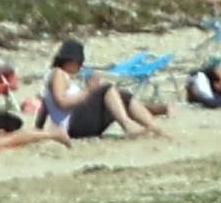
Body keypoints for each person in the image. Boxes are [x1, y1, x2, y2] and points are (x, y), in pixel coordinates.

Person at [40, 39, 168, 139]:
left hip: (76, 123)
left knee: (121, 95)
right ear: (72, 61)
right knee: (106, 88)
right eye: (80, 64)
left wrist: (38, 127)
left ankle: (154, 127)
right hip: (74, 125)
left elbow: (45, 105)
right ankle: (128, 125)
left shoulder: (57, 76)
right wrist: (89, 91)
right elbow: (61, 102)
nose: (80, 67)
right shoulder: (58, 74)